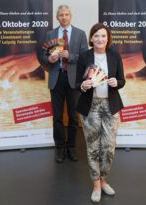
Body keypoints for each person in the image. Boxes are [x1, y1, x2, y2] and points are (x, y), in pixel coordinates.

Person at [75, 23, 125, 203]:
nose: (100, 39)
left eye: (103, 36)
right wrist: (83, 85)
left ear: (107, 38)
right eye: (96, 36)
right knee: (93, 147)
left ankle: (104, 180)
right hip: (90, 106)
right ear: (91, 38)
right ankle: (96, 184)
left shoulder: (114, 55)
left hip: (110, 105)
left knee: (109, 146)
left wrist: (115, 82)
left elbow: (122, 80)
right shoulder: (84, 56)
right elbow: (76, 83)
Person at [39, 5, 88, 163]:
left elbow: (84, 57)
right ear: (57, 17)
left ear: (70, 16)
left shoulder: (80, 34)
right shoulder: (50, 34)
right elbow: (43, 55)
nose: (64, 17)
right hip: (56, 77)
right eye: (61, 15)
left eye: (66, 14)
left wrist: (70, 55)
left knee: (74, 116)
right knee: (58, 116)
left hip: (73, 78)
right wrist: (49, 59)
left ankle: (72, 147)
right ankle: (59, 148)